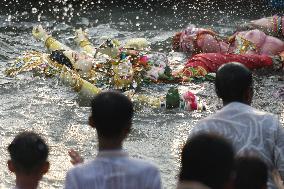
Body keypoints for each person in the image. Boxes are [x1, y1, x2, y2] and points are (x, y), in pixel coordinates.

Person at [190, 62, 284, 189]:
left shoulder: (202, 129)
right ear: (249, 92)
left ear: (217, 92)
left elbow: (191, 179)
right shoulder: (270, 122)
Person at [64, 91, 161, 189]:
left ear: (91, 122)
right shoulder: (148, 173)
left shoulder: (76, 176)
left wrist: (83, 169)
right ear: (129, 127)